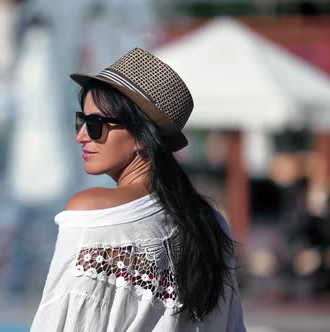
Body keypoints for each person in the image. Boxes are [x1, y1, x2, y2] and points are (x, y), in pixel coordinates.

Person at [30, 48, 245, 331]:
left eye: (95, 125)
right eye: (81, 121)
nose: (81, 135)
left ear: (142, 137)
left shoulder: (92, 215)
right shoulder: (211, 224)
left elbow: (60, 320)